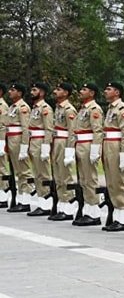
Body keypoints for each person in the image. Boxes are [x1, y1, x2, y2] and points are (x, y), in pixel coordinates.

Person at [101, 81, 124, 232]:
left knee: (119, 182)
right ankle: (117, 215)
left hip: (116, 145)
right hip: (108, 144)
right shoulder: (110, 109)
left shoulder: (122, 109)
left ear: (117, 92)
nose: (105, 92)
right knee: (111, 182)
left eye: (108, 89)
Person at [69, 83, 103, 225]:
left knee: (90, 179)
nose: (80, 92)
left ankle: (94, 213)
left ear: (92, 93)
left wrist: (95, 149)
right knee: (83, 180)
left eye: (84, 90)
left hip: (88, 146)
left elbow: (97, 131)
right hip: (80, 145)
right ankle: (88, 210)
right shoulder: (83, 108)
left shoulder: (94, 109)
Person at [48, 83, 78, 222]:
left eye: (58, 89)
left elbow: (72, 131)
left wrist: (69, 150)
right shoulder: (58, 108)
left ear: (66, 93)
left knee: (65, 175)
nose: (55, 91)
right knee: (58, 175)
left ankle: (68, 207)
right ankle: (62, 204)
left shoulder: (69, 109)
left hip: (64, 142)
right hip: (57, 141)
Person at [27, 83, 55, 217]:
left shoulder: (45, 108)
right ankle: (41, 201)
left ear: (42, 93)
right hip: (33, 141)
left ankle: (46, 203)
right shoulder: (35, 108)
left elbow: (49, 128)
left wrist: (46, 146)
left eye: (34, 90)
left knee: (43, 173)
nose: (31, 92)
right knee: (37, 173)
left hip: (40, 142)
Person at [4, 83, 33, 212]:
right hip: (11, 139)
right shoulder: (12, 107)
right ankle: (21, 198)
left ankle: (25, 200)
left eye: (13, 90)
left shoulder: (22, 107)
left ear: (20, 93)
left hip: (18, 139)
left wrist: (24, 146)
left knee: (23, 171)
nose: (10, 92)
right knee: (17, 171)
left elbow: (26, 128)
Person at [0, 83, 9, 209]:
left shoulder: (2, 106)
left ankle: (3, 196)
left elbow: (3, 126)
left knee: (2, 168)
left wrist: (2, 142)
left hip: (0, 138)